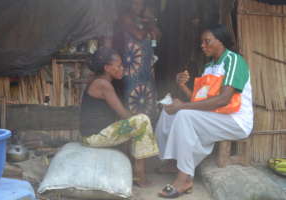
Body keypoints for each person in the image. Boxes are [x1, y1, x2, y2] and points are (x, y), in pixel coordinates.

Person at [155, 24, 253, 198]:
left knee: (184, 115)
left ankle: (184, 179)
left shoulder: (233, 60)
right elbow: (199, 101)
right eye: (202, 42)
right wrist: (182, 86)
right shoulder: (210, 66)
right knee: (169, 111)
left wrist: (182, 106)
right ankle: (172, 160)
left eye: (207, 41)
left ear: (221, 41)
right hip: (216, 115)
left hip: (235, 119)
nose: (202, 46)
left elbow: (223, 99)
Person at [79, 47, 159, 187]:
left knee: (139, 121)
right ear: (107, 68)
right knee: (143, 121)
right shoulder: (103, 84)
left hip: (93, 134)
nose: (123, 68)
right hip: (94, 137)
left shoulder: (100, 81)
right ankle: (139, 174)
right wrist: (140, 117)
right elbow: (123, 113)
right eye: (119, 66)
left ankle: (137, 171)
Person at [113, 0, 161, 123]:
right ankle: (134, 130)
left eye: (141, 4)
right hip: (132, 67)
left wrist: (152, 23)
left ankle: (148, 128)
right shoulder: (125, 18)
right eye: (135, 4)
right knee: (132, 96)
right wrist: (149, 25)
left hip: (146, 67)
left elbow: (158, 36)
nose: (138, 7)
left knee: (148, 98)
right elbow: (139, 35)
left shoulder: (144, 20)